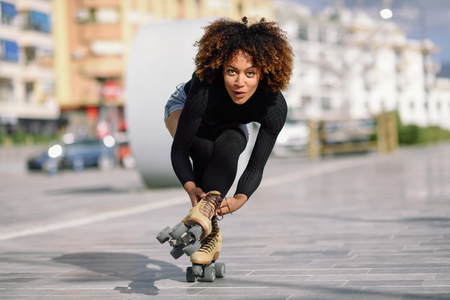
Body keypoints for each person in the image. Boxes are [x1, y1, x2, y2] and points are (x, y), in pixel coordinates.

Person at [163, 16, 293, 267]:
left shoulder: (273, 106)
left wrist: (242, 196)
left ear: (264, 73)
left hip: (230, 122)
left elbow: (256, 165)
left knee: (230, 144)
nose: (239, 83)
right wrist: (191, 187)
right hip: (185, 106)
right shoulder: (205, 89)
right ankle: (209, 227)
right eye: (231, 71)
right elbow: (179, 148)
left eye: (250, 73)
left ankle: (207, 219)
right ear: (220, 68)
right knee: (200, 146)